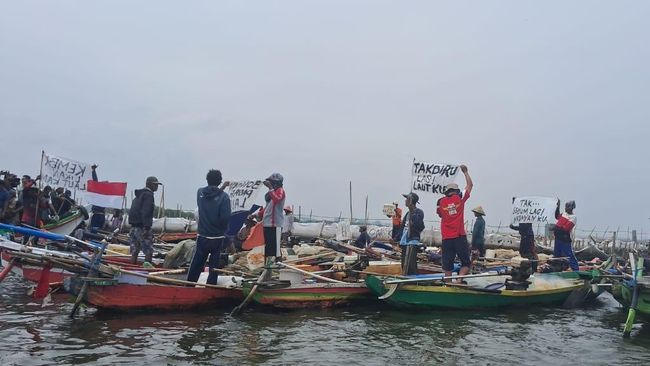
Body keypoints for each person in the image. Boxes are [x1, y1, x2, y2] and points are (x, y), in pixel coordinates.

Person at [187, 170, 231, 285]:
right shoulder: (224, 197)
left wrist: (222, 187)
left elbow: (210, 197)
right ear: (220, 181)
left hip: (202, 235)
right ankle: (211, 286)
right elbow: (225, 218)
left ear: (207, 180)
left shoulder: (200, 192)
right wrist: (223, 230)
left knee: (197, 263)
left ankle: (189, 285)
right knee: (214, 266)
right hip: (217, 237)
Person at [437, 165, 473, 281]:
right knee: (466, 263)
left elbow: (440, 214)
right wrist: (466, 172)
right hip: (458, 236)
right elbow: (470, 186)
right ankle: (459, 280)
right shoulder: (460, 198)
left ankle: (448, 284)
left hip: (447, 238)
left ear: (446, 192)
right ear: (455, 191)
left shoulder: (441, 202)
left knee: (447, 265)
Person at [128, 176, 160, 264]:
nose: (157, 187)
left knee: (134, 251)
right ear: (149, 184)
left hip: (133, 227)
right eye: (155, 184)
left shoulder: (138, 195)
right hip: (142, 228)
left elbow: (132, 211)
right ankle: (146, 273)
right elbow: (146, 211)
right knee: (148, 251)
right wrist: (147, 227)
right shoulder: (148, 195)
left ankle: (131, 270)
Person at [262, 173, 286, 267]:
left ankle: (279, 264)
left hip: (275, 224)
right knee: (268, 247)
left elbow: (277, 199)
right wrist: (255, 215)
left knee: (276, 248)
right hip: (267, 224)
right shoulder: (271, 194)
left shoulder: (280, 191)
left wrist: (270, 188)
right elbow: (267, 208)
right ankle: (268, 265)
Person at [398, 192, 425, 275]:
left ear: (411, 201)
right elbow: (402, 228)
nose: (405, 201)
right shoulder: (407, 214)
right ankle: (406, 279)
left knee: (411, 265)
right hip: (404, 242)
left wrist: (412, 210)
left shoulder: (418, 212)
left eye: (407, 199)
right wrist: (396, 239)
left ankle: (413, 280)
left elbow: (420, 226)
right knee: (404, 265)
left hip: (412, 242)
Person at [553, 199, 579, 271]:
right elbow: (557, 216)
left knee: (569, 255)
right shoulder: (564, 213)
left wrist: (555, 228)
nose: (566, 208)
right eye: (566, 206)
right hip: (558, 238)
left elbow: (566, 228)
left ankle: (576, 270)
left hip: (565, 239)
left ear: (572, 207)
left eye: (568, 207)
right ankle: (556, 269)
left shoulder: (573, 217)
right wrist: (558, 206)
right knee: (556, 254)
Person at [89, 165, 106, 231]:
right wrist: (93, 171)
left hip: (97, 216)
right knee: (99, 232)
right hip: (101, 216)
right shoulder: (107, 195)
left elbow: (95, 182)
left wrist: (93, 170)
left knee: (93, 231)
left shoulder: (98, 193)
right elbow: (95, 182)